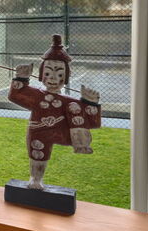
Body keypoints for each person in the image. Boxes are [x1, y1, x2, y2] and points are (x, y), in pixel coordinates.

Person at [7, 34, 101, 189]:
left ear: (66, 76)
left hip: (59, 131)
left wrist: (91, 102)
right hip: (38, 132)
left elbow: (90, 119)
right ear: (42, 74)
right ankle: (35, 179)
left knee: (41, 151)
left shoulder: (68, 102)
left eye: (59, 74)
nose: (53, 78)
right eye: (48, 72)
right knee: (37, 154)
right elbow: (15, 95)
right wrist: (21, 78)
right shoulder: (37, 96)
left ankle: (37, 179)